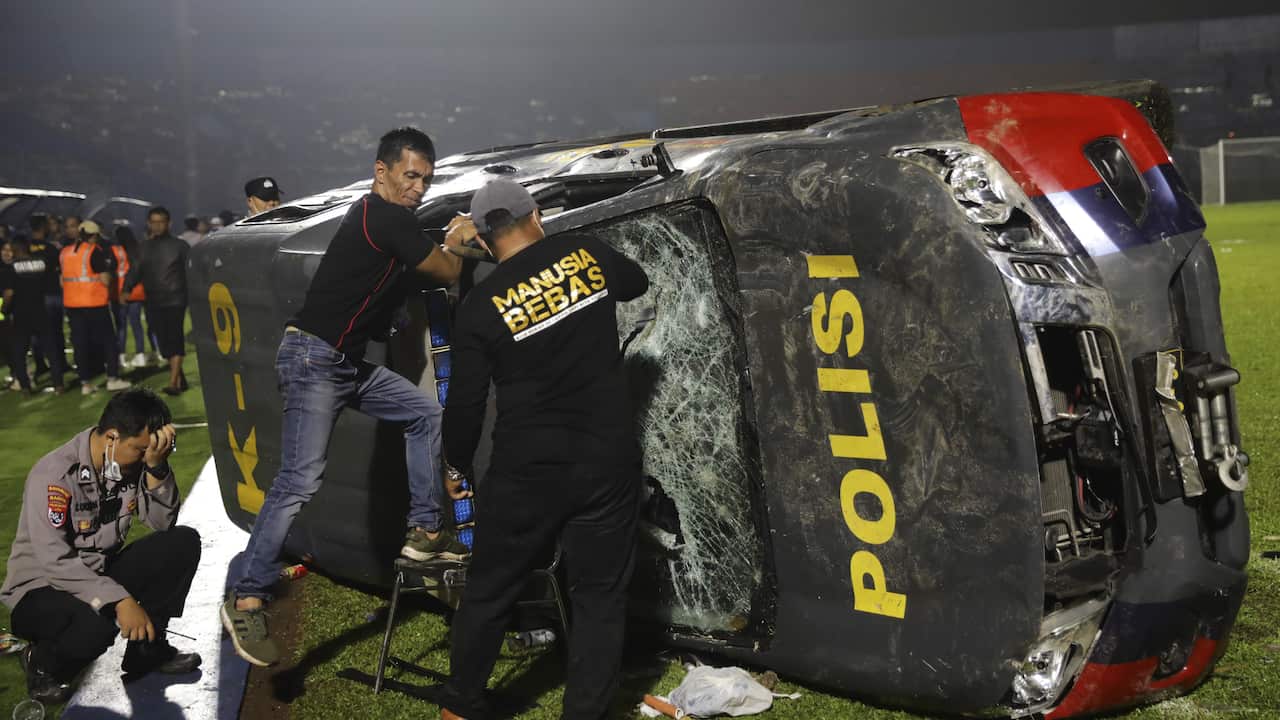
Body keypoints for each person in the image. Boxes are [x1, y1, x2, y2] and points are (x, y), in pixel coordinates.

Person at [221, 127, 471, 667]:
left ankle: (425, 530)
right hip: (316, 360)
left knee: (425, 414)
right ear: (381, 172)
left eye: (426, 178)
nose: (419, 187)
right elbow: (448, 268)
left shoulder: (380, 221)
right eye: (410, 176)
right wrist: (457, 239)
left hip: (342, 363)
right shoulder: (384, 217)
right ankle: (247, 595)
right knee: (298, 481)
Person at [439, 179, 649, 720]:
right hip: (605, 462)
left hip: (526, 470)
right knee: (599, 599)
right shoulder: (583, 254)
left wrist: (457, 464)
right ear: (536, 214)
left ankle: (459, 706)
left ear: (484, 241)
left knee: (489, 590)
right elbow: (635, 282)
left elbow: (463, 405)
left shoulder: (482, 304)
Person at [0, 389, 202, 703]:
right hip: (40, 590)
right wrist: (119, 599)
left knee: (181, 544)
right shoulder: (53, 474)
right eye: (141, 449)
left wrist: (157, 468)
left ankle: (146, 651)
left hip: (97, 575)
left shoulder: (131, 463)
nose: (145, 457)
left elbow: (162, 525)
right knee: (100, 621)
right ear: (111, 437)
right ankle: (41, 663)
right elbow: (56, 562)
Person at [123, 207, 188, 395]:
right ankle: (178, 375)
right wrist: (126, 289)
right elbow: (135, 271)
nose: (157, 225)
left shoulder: (180, 246)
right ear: (148, 224)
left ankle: (173, 382)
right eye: (154, 222)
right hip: (153, 301)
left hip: (176, 299)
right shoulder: (143, 248)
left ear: (169, 223)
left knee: (174, 339)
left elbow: (191, 270)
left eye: (161, 221)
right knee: (164, 342)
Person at [61, 220, 128, 394]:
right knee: (108, 341)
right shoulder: (93, 252)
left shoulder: (65, 252)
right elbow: (105, 280)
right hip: (94, 303)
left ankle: (85, 383)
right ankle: (112, 378)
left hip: (72, 305)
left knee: (80, 343)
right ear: (94, 235)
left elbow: (62, 281)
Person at [1, 241, 51, 395]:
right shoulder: (39, 263)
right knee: (48, 347)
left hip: (19, 315)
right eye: (4, 250)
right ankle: (56, 382)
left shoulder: (11, 268)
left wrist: (5, 309)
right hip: (37, 311)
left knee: (17, 351)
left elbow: (9, 293)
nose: (7, 253)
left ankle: (23, 383)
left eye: (10, 250)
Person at [26, 214, 67, 393]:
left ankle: (41, 365)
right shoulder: (51, 248)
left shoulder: (25, 248)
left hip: (32, 298)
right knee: (55, 334)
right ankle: (60, 366)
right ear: (43, 227)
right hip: (52, 296)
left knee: (37, 336)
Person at [109, 225, 150, 369]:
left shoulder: (114, 250)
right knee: (136, 324)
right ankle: (140, 355)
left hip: (119, 291)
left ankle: (121, 357)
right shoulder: (138, 249)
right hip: (137, 291)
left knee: (121, 326)